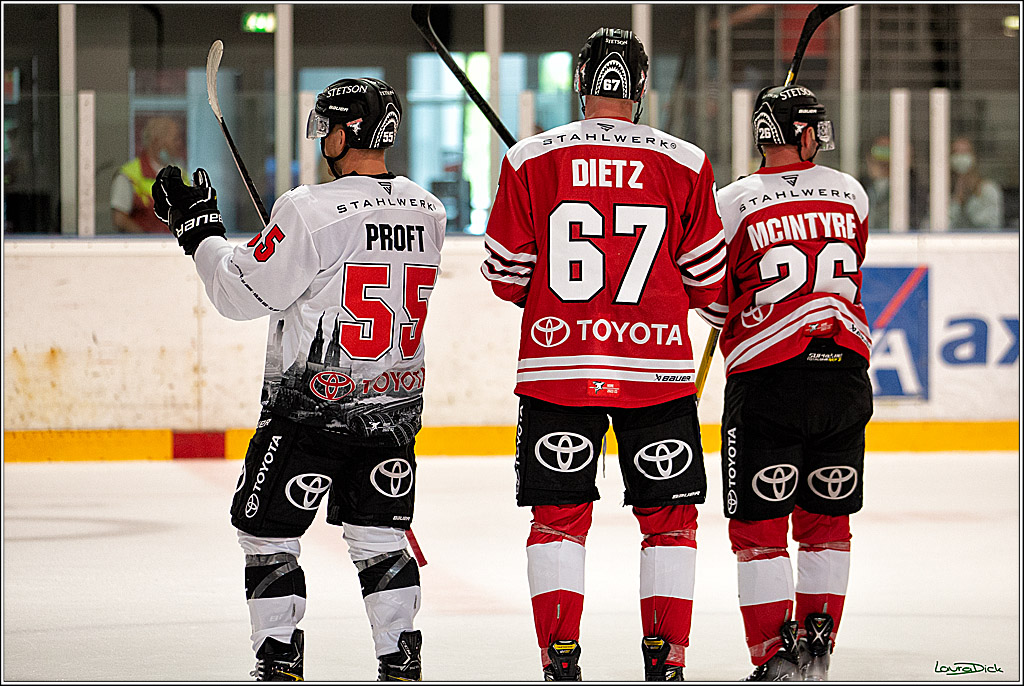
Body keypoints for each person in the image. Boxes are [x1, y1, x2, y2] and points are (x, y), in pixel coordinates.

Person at [153, 78, 446, 681]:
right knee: (379, 539)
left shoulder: (308, 209)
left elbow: (240, 293)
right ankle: (400, 660)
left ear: (347, 132)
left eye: (328, 127)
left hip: (310, 413)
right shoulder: (428, 209)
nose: (323, 140)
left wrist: (199, 232)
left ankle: (279, 660)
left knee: (266, 535)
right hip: (393, 411)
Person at [481, 28, 726, 682]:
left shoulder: (530, 158)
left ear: (579, 81)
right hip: (657, 372)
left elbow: (505, 275)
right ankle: (666, 662)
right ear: (640, 87)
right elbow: (707, 282)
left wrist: (556, 292)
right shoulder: (687, 162)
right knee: (669, 522)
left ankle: (560, 661)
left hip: (558, 369)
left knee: (558, 522)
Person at [699, 84, 873, 681]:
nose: (820, 137)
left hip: (768, 378)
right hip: (844, 373)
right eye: (814, 127)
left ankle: (775, 657)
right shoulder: (851, 191)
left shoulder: (732, 201)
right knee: (827, 522)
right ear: (799, 133)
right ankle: (819, 649)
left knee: (760, 529)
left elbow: (714, 300)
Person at [111, 116, 186, 233]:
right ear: (157, 142)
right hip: (145, 244)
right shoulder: (128, 175)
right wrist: (147, 238)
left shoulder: (180, 173)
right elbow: (120, 220)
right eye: (175, 139)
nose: (179, 144)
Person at [949, 136, 1004, 230]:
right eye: (956, 152)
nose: (960, 157)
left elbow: (992, 226)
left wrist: (969, 200)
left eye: (965, 152)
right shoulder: (940, 191)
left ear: (973, 157)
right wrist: (956, 202)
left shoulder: (988, 189)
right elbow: (937, 225)